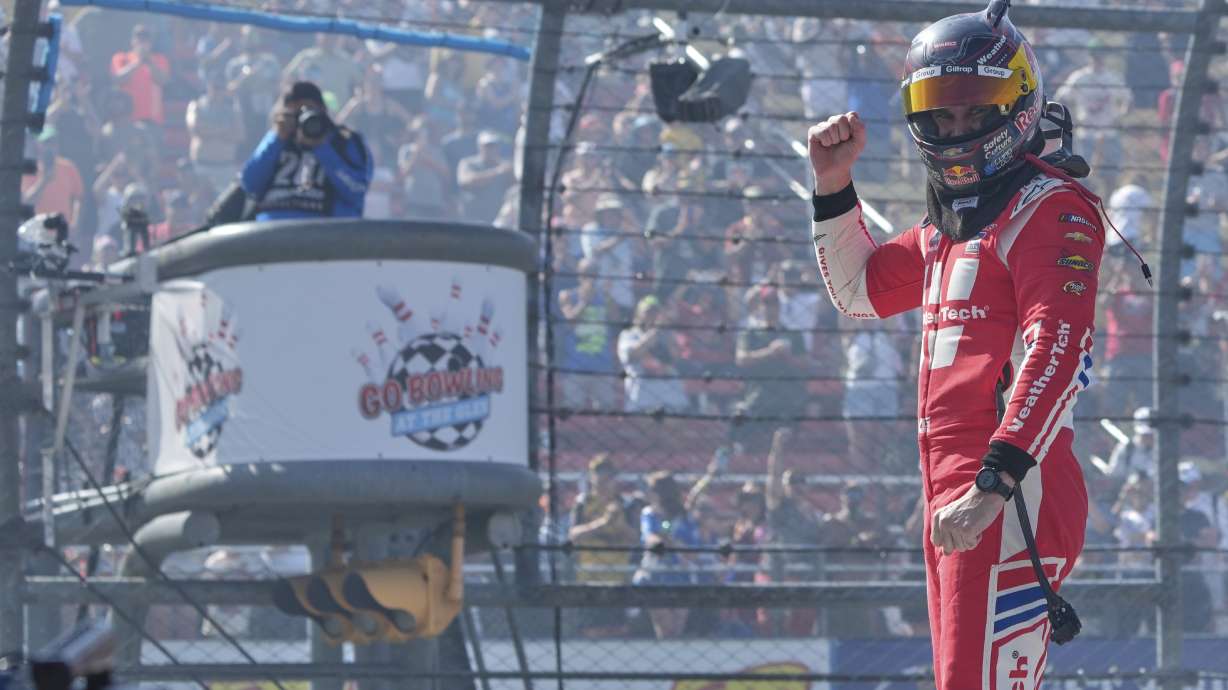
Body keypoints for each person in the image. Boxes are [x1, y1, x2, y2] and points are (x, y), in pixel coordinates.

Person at [807, 3, 1115, 686]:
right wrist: (833, 186)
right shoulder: (949, 228)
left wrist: (994, 484)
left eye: (973, 111)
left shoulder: (1050, 207)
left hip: (1007, 495)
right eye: (939, 113)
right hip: (960, 493)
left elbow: (1058, 349)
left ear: (1019, 105)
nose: (954, 128)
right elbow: (857, 292)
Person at [240, 81, 373, 221]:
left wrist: (323, 149)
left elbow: (356, 190)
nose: (302, 120)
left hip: (325, 233)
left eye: (309, 112)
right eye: (295, 114)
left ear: (322, 110)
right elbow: (249, 185)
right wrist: (276, 139)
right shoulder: (277, 140)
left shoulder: (345, 141)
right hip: (271, 232)